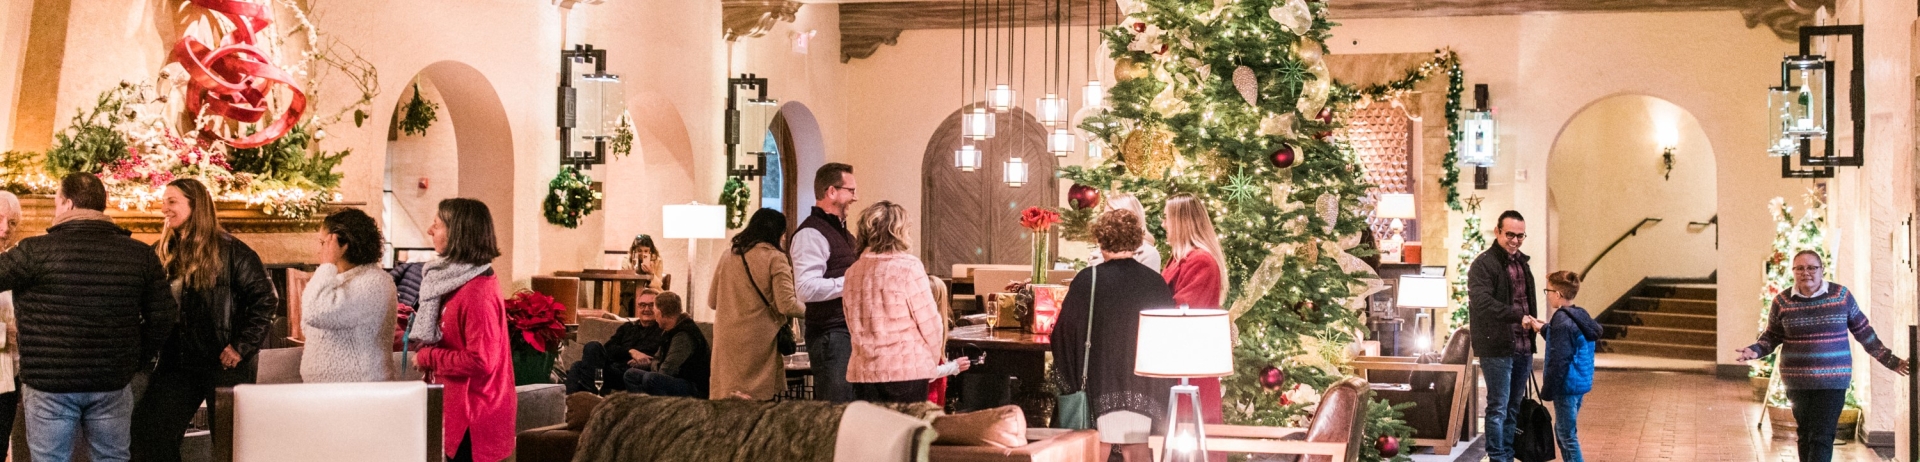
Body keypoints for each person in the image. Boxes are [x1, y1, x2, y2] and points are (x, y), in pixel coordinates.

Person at [0, 173, 176, 462]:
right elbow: (164, 316)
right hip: (112, 381)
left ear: (67, 204)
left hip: (49, 383)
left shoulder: (33, 251)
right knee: (112, 458)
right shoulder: (140, 254)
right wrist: (136, 358)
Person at [133, 178, 279, 462]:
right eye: (164, 201)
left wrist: (241, 346)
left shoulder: (233, 251)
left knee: (230, 444)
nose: (163, 208)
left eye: (172, 201)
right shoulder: (161, 250)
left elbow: (266, 299)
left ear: (195, 205)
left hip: (223, 363)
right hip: (177, 361)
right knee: (149, 433)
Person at [1738, 250, 1910, 462]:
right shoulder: (1782, 301)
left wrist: (1891, 361)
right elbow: (1771, 336)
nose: (1806, 272)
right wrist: (1754, 350)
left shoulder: (1841, 296)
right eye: (1800, 268)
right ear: (1793, 271)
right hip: (1797, 380)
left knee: (1822, 435)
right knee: (1805, 433)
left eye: (1812, 267)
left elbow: (1864, 332)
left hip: (1833, 380)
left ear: (1822, 270)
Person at [1052, 209, 1178, 462]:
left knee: (1095, 449)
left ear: (1101, 241)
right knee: (1137, 450)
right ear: (1136, 240)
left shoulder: (1088, 280)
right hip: (1144, 385)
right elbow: (1170, 338)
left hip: (1099, 382)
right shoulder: (1155, 282)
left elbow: (1062, 335)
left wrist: (1070, 380)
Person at [413, 198, 515, 462]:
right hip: (458, 410)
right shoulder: (455, 280)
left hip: (475, 416)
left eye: (436, 225)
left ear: (458, 232)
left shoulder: (476, 291)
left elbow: (481, 360)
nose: (429, 230)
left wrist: (428, 357)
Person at [842, 201, 970, 403]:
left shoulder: (853, 271)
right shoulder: (908, 267)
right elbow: (930, 323)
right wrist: (928, 359)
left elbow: (851, 323)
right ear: (899, 231)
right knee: (907, 432)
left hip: (864, 371)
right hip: (906, 371)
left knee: (874, 433)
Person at [1466, 210, 1543, 462]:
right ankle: (1498, 457)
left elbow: (1527, 302)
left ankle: (1508, 454)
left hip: (1522, 345)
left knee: (1514, 406)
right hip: (1497, 346)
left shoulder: (1523, 263)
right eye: (1510, 234)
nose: (1515, 240)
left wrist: (1533, 321)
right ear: (1497, 231)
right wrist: (1516, 316)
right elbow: (1482, 302)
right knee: (1498, 407)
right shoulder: (1483, 264)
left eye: (1520, 236)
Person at [709, 209, 807, 400]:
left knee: (726, 403)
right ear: (777, 233)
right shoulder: (775, 258)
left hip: (727, 343)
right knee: (755, 401)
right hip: (757, 343)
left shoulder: (727, 255)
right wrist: (815, 312)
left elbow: (712, 301)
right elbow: (786, 305)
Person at [299, 208, 399, 383]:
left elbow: (315, 313)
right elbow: (308, 325)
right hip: (331, 394)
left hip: (358, 392)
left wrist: (327, 264)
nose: (319, 250)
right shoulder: (337, 278)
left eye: (323, 242)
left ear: (343, 245)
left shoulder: (374, 282)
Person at [1159, 194, 1226, 456]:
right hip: (1176, 363)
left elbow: (1183, 312)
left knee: (1190, 441)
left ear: (1181, 222)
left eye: (1167, 218)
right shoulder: (1178, 259)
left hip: (1190, 366)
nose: (1163, 224)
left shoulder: (1201, 261)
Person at [793, 162, 860, 402]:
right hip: (830, 335)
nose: (855, 197)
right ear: (831, 192)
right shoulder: (810, 234)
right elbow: (805, 288)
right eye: (851, 191)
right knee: (835, 411)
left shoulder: (842, 232)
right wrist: (852, 282)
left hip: (846, 332)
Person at [1540, 271, 1599, 462]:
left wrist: (1548, 390)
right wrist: (1541, 328)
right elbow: (1569, 341)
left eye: (1547, 290)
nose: (1547, 294)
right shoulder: (1579, 315)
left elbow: (1560, 359)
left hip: (1566, 385)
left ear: (1557, 294)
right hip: (1579, 381)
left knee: (1567, 436)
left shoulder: (1561, 320)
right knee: (1564, 431)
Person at [565, 289, 666, 395]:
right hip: (612, 370)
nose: (646, 309)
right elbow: (609, 348)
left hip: (632, 374)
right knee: (592, 347)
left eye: (651, 305)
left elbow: (661, 358)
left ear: (658, 308)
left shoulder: (663, 330)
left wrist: (646, 363)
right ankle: (578, 399)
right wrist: (631, 352)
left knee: (578, 367)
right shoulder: (628, 327)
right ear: (638, 307)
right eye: (642, 305)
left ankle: (587, 396)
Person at [622, 292, 710, 397]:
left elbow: (668, 369)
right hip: (675, 380)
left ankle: (659, 409)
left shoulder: (683, 335)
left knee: (651, 379)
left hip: (693, 387)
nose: (655, 316)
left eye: (655, 311)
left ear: (660, 312)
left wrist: (655, 372)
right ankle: (644, 408)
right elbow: (656, 359)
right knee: (631, 375)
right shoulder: (669, 330)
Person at [0, 192, 23, 458]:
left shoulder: (17, 264)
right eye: (0, 220)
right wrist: (6, 334)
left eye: (13, 223)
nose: (6, 230)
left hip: (9, 378)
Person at [1087, 193, 1161, 271]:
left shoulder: (1147, 254)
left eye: (1112, 217)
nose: (1106, 223)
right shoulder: (1097, 254)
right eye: (1105, 217)